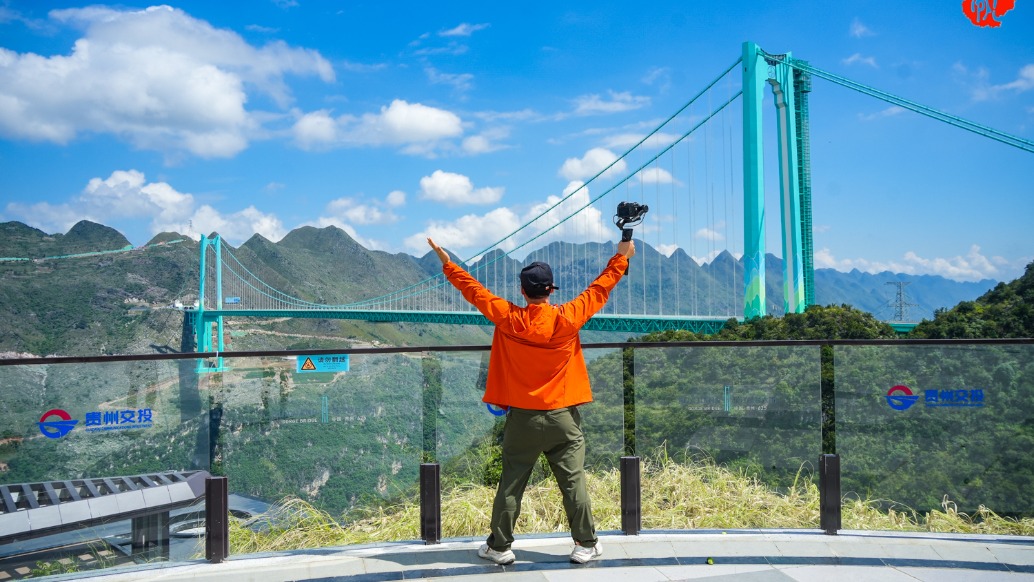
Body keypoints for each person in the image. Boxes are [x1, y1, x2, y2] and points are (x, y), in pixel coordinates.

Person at [427, 237, 636, 565]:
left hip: (523, 417)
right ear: (551, 290)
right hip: (563, 416)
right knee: (573, 480)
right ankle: (585, 544)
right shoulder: (568, 317)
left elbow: (474, 291)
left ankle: (499, 548)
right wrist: (622, 257)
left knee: (511, 481)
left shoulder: (509, 318)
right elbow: (600, 288)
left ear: (523, 291)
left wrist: (447, 263)